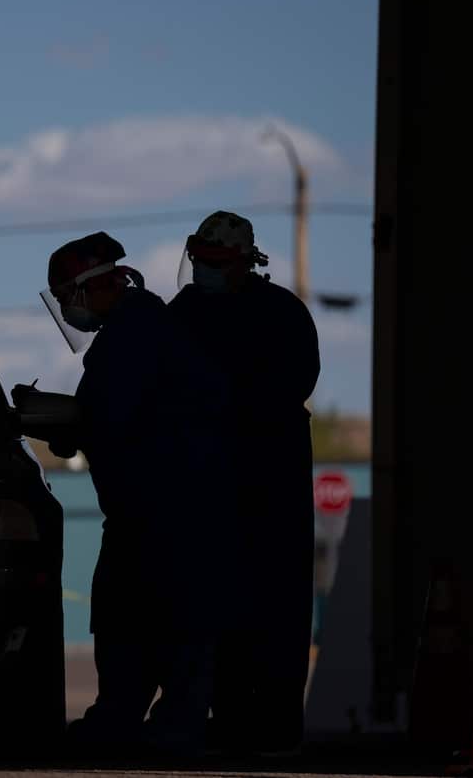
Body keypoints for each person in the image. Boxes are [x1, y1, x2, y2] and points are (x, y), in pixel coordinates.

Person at [33, 231, 238, 757]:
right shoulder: (141, 327)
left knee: (149, 616)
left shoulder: (134, 334)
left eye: (65, 298)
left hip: (163, 510)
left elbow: (109, 415)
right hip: (158, 508)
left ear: (92, 287)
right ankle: (138, 719)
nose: (66, 309)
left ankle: (157, 725)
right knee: (146, 612)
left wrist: (54, 421)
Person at [168, 210, 320, 756]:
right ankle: (230, 717)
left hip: (269, 483)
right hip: (209, 484)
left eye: (217, 261)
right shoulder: (184, 314)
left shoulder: (281, 314)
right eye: (200, 260)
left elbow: (288, 386)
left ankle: (277, 723)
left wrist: (223, 411)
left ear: (243, 261)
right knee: (217, 604)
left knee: (275, 604)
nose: (205, 270)